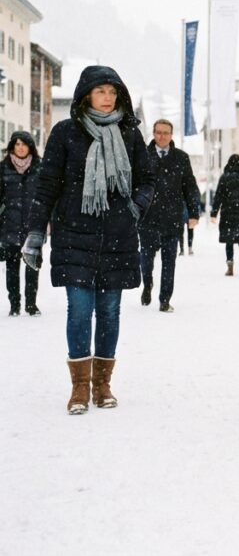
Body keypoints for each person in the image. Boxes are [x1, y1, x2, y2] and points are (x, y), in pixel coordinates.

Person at [22, 65, 154, 415]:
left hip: (118, 236)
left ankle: (103, 384)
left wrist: (135, 209)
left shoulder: (129, 134)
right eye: (101, 92)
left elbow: (147, 179)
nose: (108, 98)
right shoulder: (66, 133)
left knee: (109, 312)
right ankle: (79, 387)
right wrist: (36, 233)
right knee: (80, 311)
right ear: (86, 96)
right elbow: (47, 183)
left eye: (113, 92)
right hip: (73, 234)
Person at [137, 120, 201, 313]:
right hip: (147, 217)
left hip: (172, 218)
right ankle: (147, 284)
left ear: (171, 135)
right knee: (146, 259)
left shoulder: (181, 158)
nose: (162, 136)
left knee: (169, 261)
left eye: (166, 133)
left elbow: (190, 187)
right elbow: (134, 185)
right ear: (153, 134)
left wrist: (193, 213)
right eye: (158, 132)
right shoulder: (143, 157)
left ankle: (165, 299)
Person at [1, 132, 42, 316]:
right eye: (17, 144)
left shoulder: (39, 169)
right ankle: (15, 304)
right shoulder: (3, 168)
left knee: (32, 265)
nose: (20, 148)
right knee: (12, 268)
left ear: (30, 147)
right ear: (12, 146)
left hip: (33, 226)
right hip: (9, 225)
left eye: (24, 144)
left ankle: (31, 304)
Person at [210, 154, 239, 278]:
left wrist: (214, 213)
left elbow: (218, 197)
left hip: (228, 213)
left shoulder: (224, 178)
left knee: (229, 240)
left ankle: (230, 266)